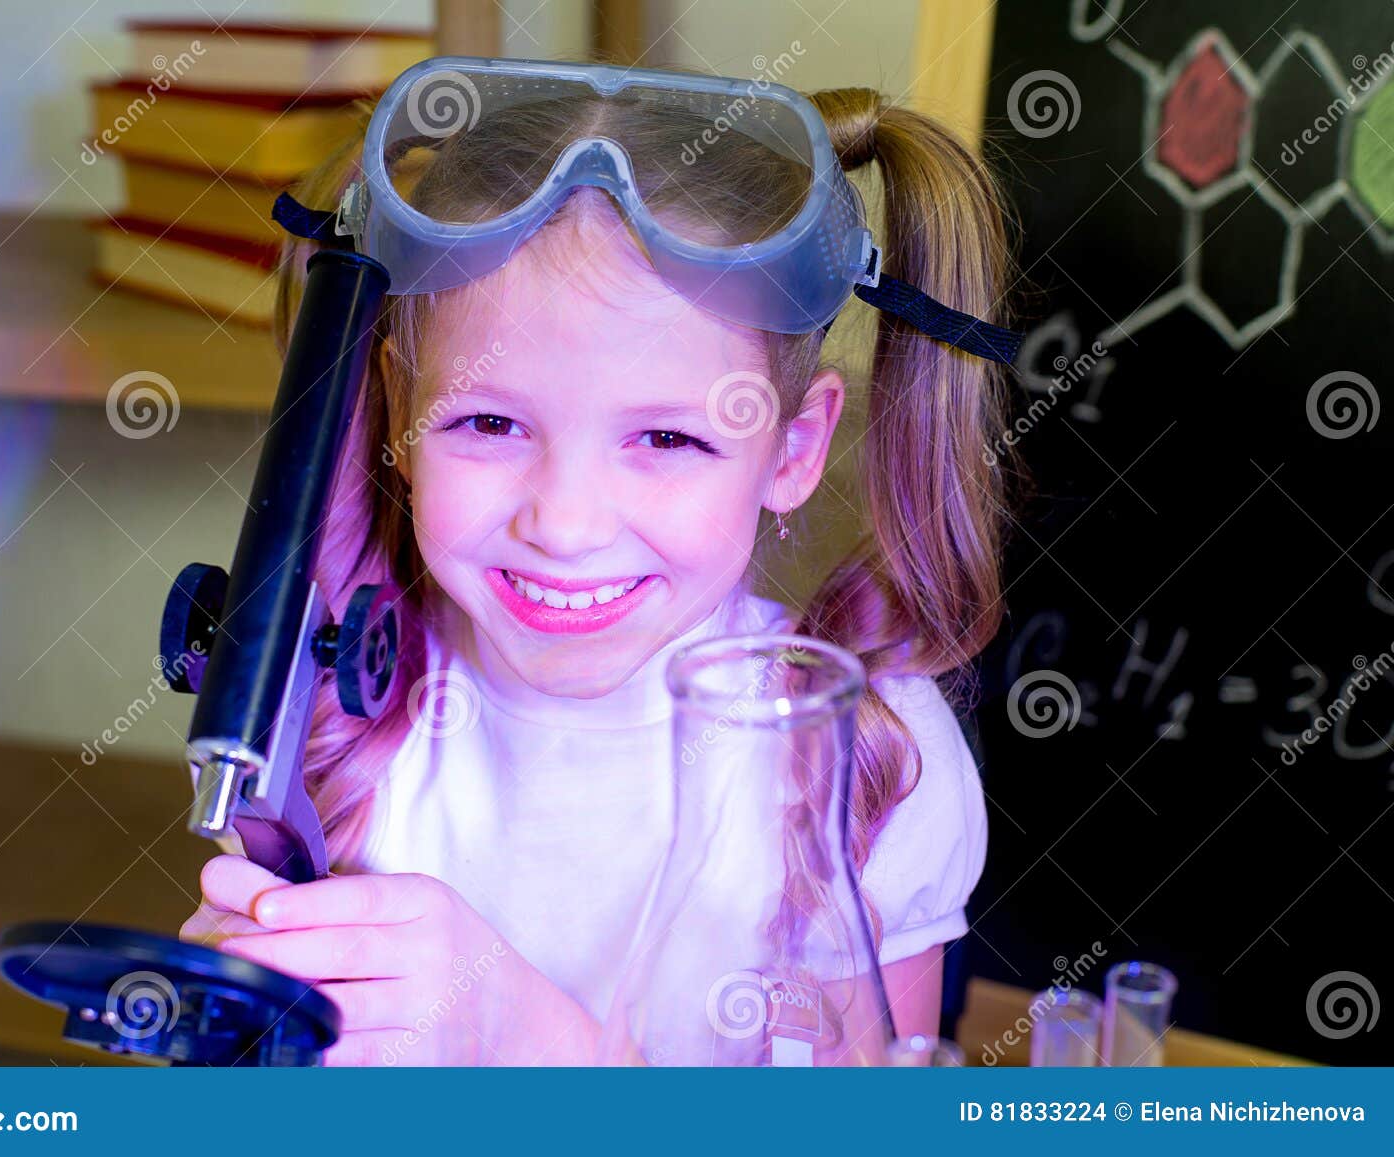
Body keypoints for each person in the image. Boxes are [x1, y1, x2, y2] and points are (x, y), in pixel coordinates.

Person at [180, 60, 1015, 1066]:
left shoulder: (871, 758)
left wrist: (534, 1041)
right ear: (399, 408)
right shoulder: (328, 715)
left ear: (790, 450)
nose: (565, 525)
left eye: (666, 440)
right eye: (488, 421)